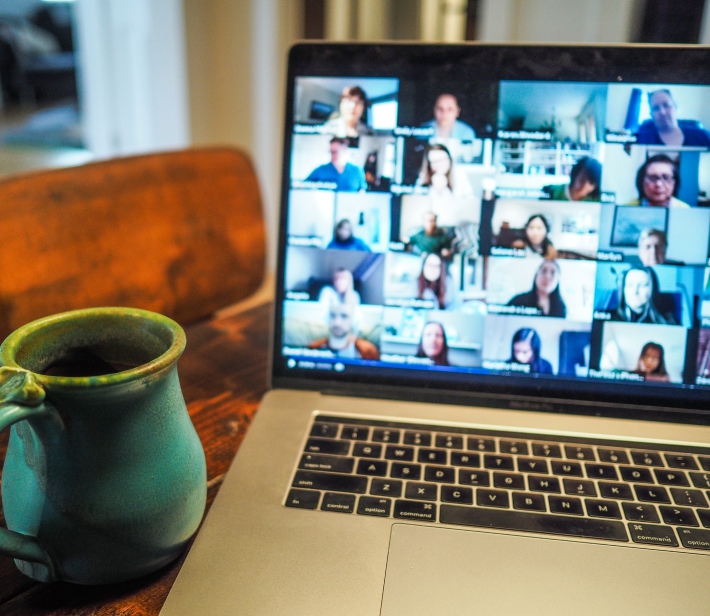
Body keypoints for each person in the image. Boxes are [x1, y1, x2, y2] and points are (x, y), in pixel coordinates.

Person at [635, 89, 710, 147]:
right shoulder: (641, 139)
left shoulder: (702, 135)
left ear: (675, 107)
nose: (662, 112)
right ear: (651, 114)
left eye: (666, 105)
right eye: (656, 108)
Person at [307, 303, 379, 359]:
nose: (337, 322)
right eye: (333, 316)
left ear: (353, 320)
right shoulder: (314, 347)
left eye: (344, 316)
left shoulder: (368, 351)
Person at [611, 266, 677, 324]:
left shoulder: (666, 322)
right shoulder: (610, 317)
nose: (635, 291)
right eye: (630, 285)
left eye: (642, 285)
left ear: (652, 289)